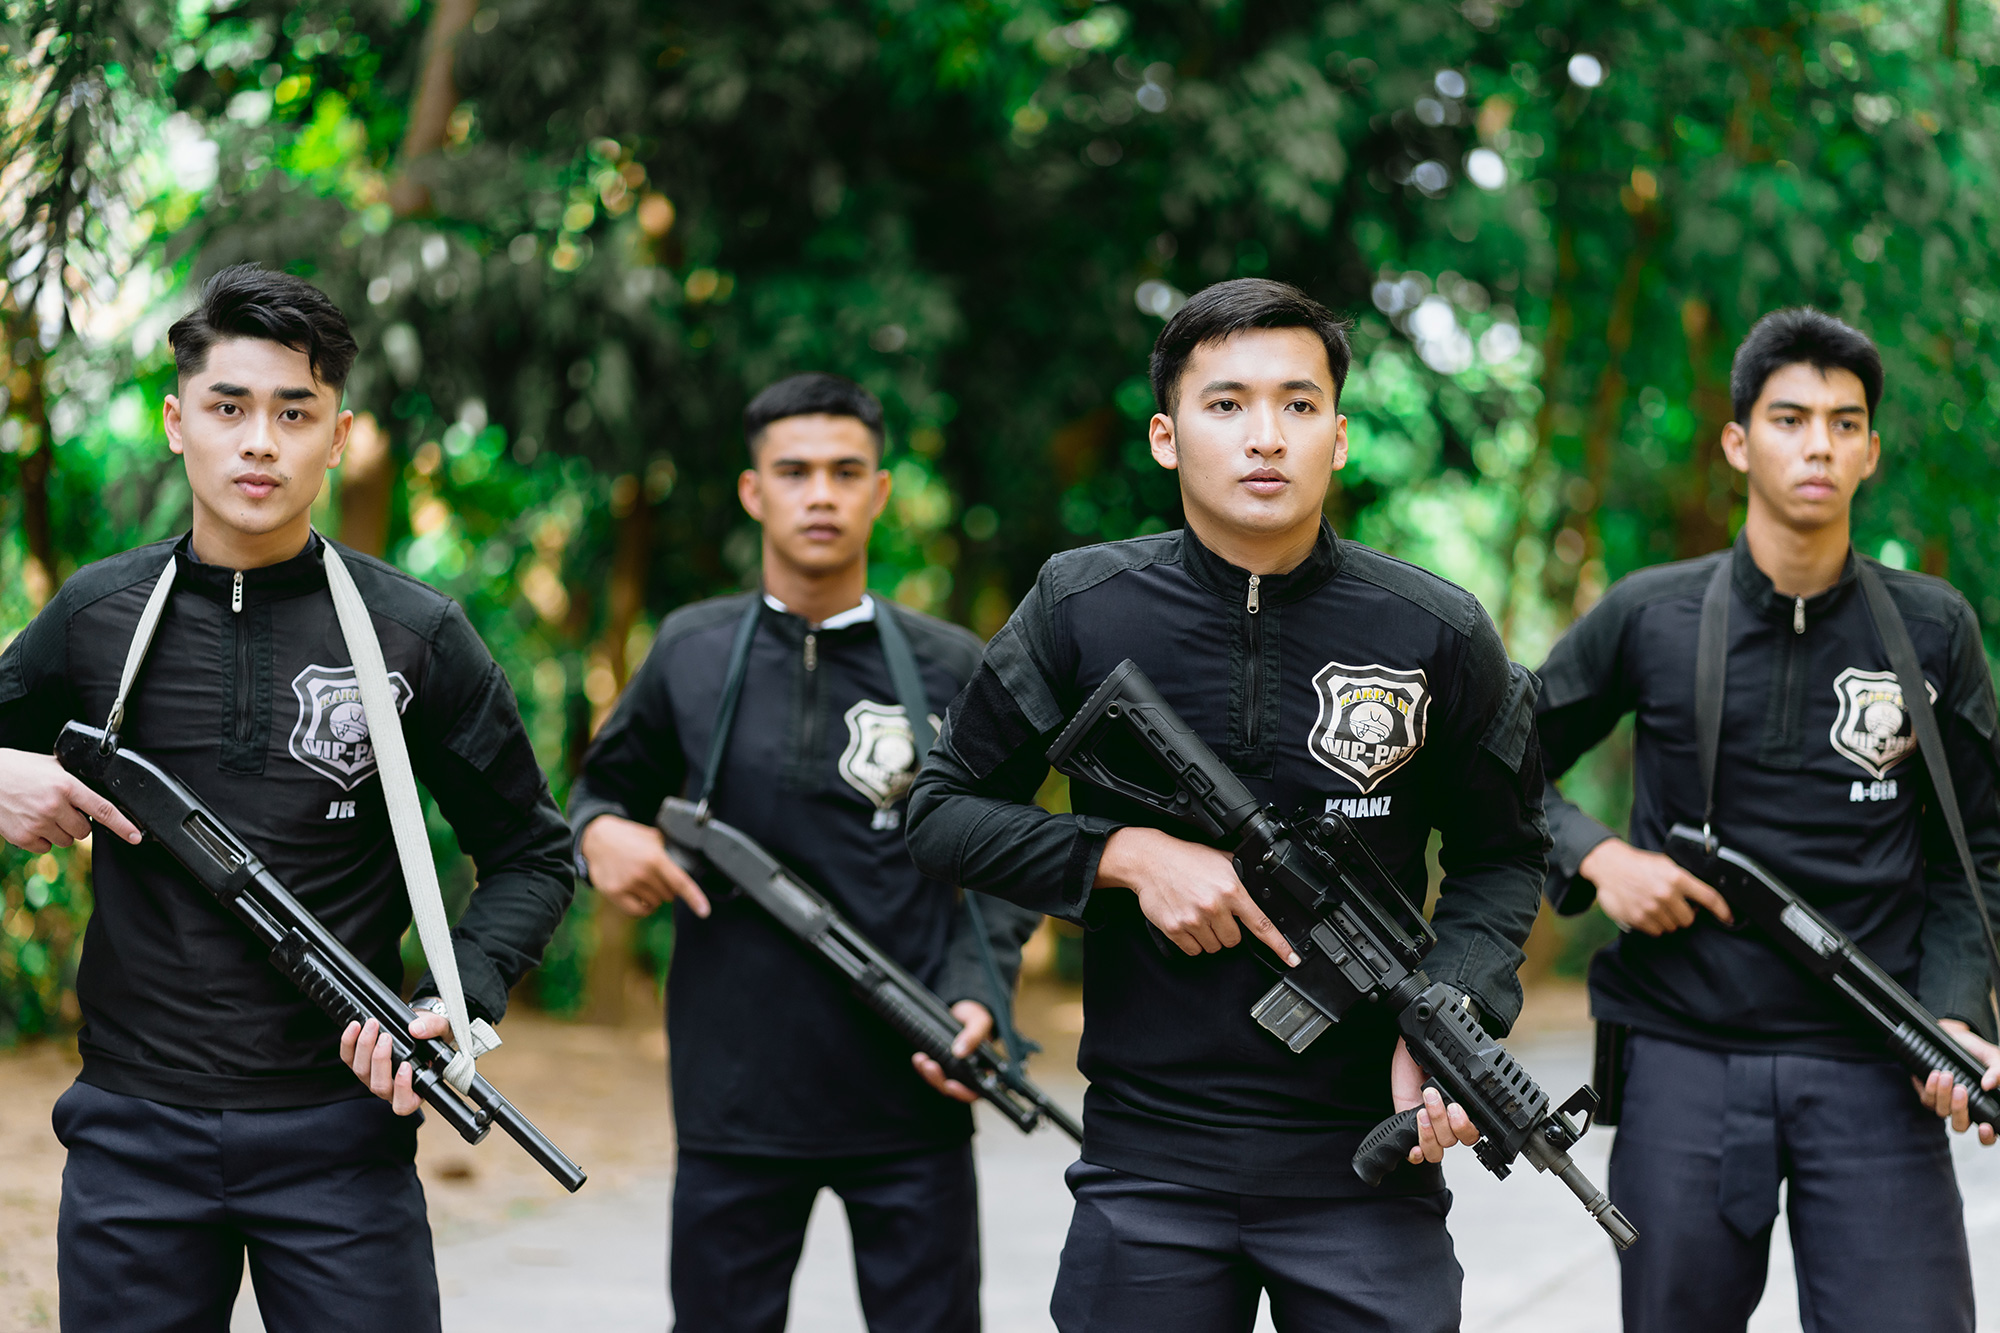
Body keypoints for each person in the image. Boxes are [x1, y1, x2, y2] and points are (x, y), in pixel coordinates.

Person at [905, 278, 1548, 1332]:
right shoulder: (1079, 606)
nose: (1266, 436)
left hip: (1366, 1169)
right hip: (1147, 1166)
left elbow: (1505, 852)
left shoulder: (1434, 630)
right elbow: (940, 813)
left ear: (1339, 437)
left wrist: (1456, 1008)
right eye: (1226, 404)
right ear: (1165, 437)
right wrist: (1124, 854)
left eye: (1298, 404)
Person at [0, 264, 575, 1331]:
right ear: (177, 423)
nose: (259, 442)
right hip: (132, 1138)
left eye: (293, 413)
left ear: (338, 436)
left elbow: (535, 853)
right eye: (228, 408)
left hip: (344, 1137)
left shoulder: (417, 635)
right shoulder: (94, 617)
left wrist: (458, 995)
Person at [1534, 308, 2000, 1332]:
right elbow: (1497, 760)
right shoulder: (1647, 613)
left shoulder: (1933, 628)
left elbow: (1980, 848)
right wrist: (1596, 855)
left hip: (1876, 1059)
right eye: (1790, 419)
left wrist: (1956, 1012)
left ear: (1870, 451)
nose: (1818, 445)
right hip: (1683, 1055)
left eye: (1844, 423)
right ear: (1738, 442)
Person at [567, 372, 1041, 1333]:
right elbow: (598, 792)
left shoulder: (952, 664)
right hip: (733, 1095)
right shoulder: (690, 650)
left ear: (880, 490)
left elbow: (1006, 858)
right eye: (794, 471)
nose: (820, 494)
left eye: (844, 471)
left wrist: (979, 993)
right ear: (754, 491)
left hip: (912, 1086)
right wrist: (599, 834)